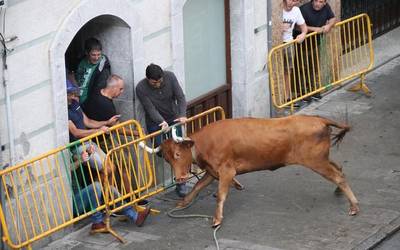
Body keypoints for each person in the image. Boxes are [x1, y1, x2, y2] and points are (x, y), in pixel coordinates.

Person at [67, 80, 150, 232]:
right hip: (79, 147)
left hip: (88, 144)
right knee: (102, 181)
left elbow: (88, 122)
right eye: (70, 94)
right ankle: (107, 210)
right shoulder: (64, 112)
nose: (73, 97)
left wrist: (106, 123)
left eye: (74, 94)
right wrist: (97, 132)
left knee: (109, 170)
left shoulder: (74, 105)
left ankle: (126, 212)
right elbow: (76, 133)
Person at [135, 63, 188, 197]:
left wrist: (182, 115)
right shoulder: (141, 88)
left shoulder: (170, 76)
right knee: (162, 151)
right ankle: (179, 172)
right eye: (154, 83)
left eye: (159, 81)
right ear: (148, 80)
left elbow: (180, 97)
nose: (158, 85)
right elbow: (149, 107)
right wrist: (161, 121)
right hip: (155, 123)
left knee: (178, 150)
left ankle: (181, 181)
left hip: (173, 118)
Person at [300, 0, 337, 101]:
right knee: (303, 68)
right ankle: (304, 92)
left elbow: (333, 18)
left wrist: (329, 25)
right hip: (303, 44)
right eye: (316, 1)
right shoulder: (304, 9)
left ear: (324, 3)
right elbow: (298, 26)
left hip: (316, 43)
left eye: (321, 2)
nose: (317, 4)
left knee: (314, 67)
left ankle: (313, 90)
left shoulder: (326, 7)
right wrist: (314, 29)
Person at [282, 0, 307, 108]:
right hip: (277, 44)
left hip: (289, 43)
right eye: (291, 0)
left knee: (288, 70)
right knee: (277, 71)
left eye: (295, 0)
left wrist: (303, 34)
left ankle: (287, 98)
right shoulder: (279, 9)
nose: (292, 2)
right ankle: (278, 97)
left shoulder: (296, 10)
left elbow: (304, 27)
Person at [75, 37, 111, 106]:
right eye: (93, 55)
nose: (96, 58)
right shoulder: (80, 62)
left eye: (99, 54)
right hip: (77, 98)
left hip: (90, 102)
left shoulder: (103, 64)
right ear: (86, 53)